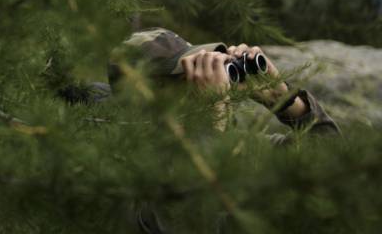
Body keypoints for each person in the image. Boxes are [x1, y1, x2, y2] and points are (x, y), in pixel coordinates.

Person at [104, 28, 338, 233]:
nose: (203, 81)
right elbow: (191, 218)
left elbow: (329, 162)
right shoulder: (121, 170)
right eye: (187, 75)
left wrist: (285, 101)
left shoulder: (235, 146)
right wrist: (210, 121)